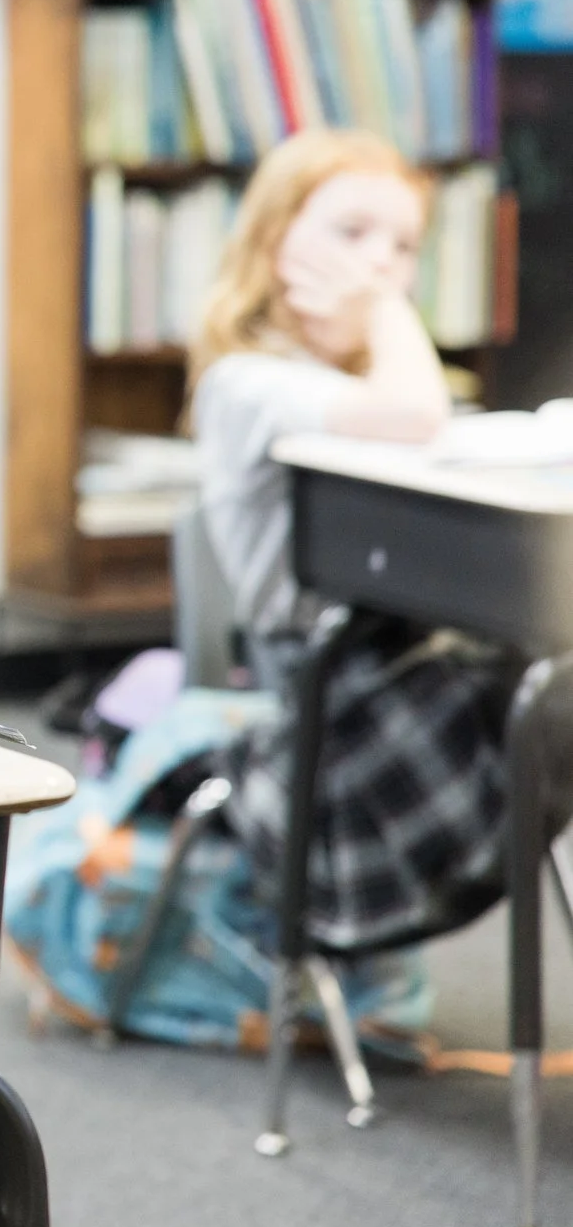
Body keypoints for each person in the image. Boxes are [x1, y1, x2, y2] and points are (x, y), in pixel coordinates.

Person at [190, 128, 516, 956]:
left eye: (403, 247)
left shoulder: (357, 383)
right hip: (333, 741)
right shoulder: (248, 384)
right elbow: (416, 417)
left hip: (408, 694)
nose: (380, 263)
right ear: (273, 242)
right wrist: (388, 310)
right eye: (351, 233)